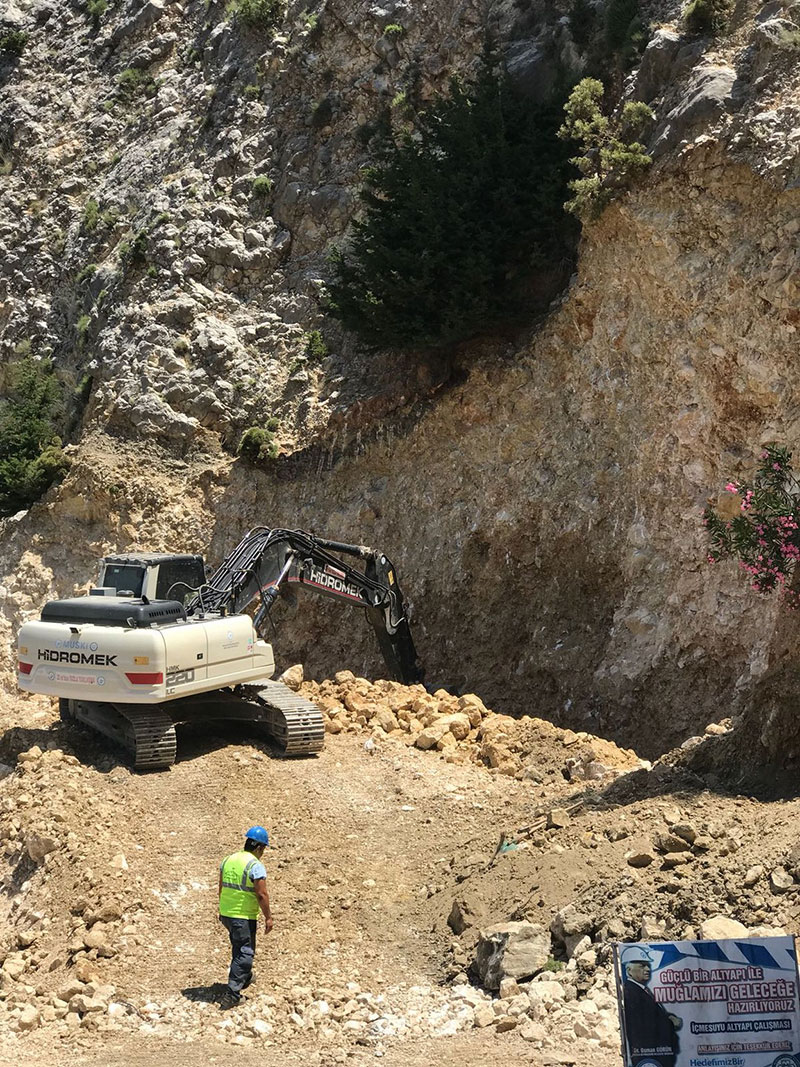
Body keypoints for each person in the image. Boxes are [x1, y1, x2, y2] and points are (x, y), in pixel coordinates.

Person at [218, 825, 273, 1009]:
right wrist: (268, 917)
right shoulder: (254, 866)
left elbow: (221, 886)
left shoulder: (228, 860)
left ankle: (244, 976)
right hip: (243, 914)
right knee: (245, 952)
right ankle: (232, 994)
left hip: (227, 913)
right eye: (263, 849)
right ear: (259, 847)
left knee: (240, 945)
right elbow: (261, 894)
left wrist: (223, 908)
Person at [620, 945, 682, 1067]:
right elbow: (644, 1023)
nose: (648, 969)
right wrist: (671, 1023)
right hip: (650, 1055)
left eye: (648, 965)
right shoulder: (632, 993)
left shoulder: (642, 990)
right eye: (642, 966)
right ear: (629, 971)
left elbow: (653, 1014)